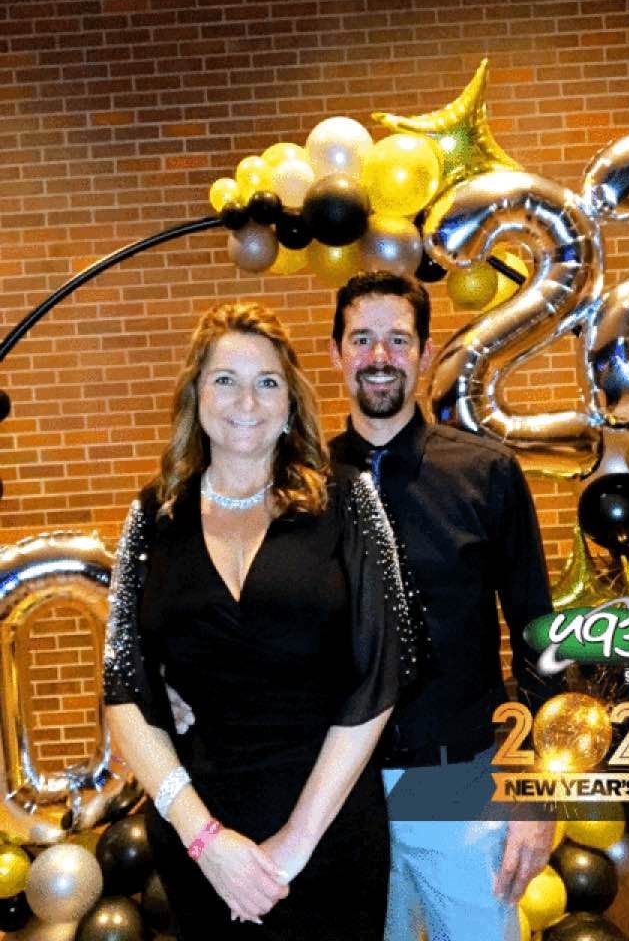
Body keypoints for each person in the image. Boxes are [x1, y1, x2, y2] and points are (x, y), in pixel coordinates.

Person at [103, 300, 419, 940]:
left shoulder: (349, 498)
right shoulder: (151, 518)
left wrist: (296, 843)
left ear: (290, 402)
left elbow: (386, 668)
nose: (246, 399)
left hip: (327, 828)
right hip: (200, 829)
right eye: (225, 379)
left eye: (267, 381)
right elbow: (122, 687)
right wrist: (206, 841)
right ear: (196, 395)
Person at [328, 271, 558, 941]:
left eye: (397, 340)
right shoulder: (304, 483)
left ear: (426, 354)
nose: (378, 357)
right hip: (340, 792)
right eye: (362, 339)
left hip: (458, 779)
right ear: (338, 352)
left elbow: (538, 635)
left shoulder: (485, 472)